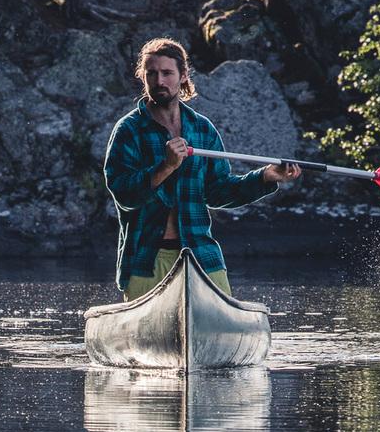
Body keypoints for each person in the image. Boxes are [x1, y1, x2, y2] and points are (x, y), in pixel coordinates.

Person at [103, 37, 301, 299]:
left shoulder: (202, 128)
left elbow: (218, 192)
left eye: (167, 73)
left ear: (183, 76)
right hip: (146, 258)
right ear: (143, 76)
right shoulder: (128, 130)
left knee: (222, 323)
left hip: (200, 253)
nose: (159, 81)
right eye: (151, 73)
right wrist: (166, 167)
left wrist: (264, 178)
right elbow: (124, 195)